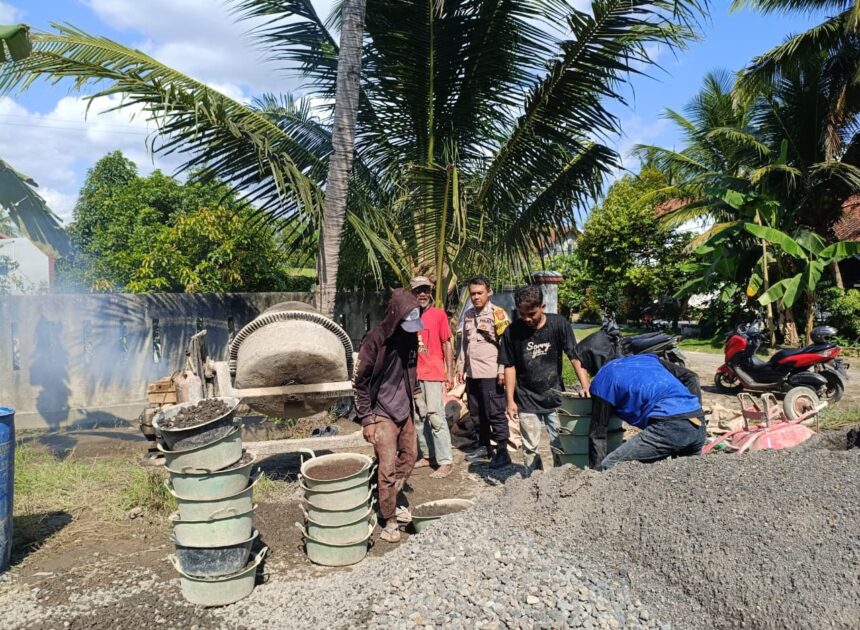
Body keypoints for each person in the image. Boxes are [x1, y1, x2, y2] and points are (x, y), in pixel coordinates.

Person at [354, 288, 423, 542]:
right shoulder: (374, 340)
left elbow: (411, 366)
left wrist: (415, 395)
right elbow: (360, 382)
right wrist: (367, 419)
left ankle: (387, 494)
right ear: (395, 315)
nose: (412, 328)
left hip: (404, 408)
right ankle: (390, 519)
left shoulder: (410, 335)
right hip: (381, 412)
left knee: (411, 456)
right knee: (387, 467)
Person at [498, 285, 591, 473]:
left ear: (543, 306)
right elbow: (509, 366)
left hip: (554, 396)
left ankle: (559, 480)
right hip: (526, 398)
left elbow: (574, 356)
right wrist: (510, 401)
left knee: (560, 442)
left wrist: (585, 385)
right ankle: (534, 483)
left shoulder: (558, 324)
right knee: (530, 447)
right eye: (523, 314)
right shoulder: (512, 332)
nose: (527, 319)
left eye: (531, 313)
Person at [579, 349, 706, 470]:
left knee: (610, 465)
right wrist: (692, 409)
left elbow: (598, 435)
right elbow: (691, 376)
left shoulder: (602, 379)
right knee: (685, 476)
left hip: (670, 425)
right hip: (698, 422)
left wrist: (595, 476)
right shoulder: (646, 359)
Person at [456, 276, 512, 468]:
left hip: (491, 372)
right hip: (473, 373)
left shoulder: (498, 314)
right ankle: (484, 446)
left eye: (480, 293)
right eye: (473, 294)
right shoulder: (469, 314)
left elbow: (507, 344)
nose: (476, 297)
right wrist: (461, 367)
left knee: (495, 413)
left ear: (489, 292)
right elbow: (465, 343)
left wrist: (502, 369)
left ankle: (503, 451)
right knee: (476, 413)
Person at [409, 275, 455, 479]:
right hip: (413, 375)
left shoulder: (439, 315)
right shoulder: (408, 316)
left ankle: (445, 461)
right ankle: (428, 456)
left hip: (434, 374)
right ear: (412, 294)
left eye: (426, 290)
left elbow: (447, 343)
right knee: (419, 418)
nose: (422, 294)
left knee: (436, 417)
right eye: (418, 291)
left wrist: (450, 373)